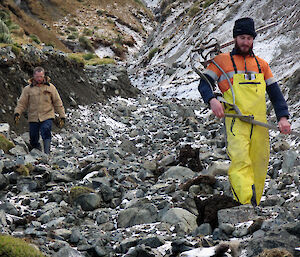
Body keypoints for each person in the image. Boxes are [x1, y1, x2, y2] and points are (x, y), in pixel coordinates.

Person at [198, 17, 291, 206]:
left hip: (259, 123)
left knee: (259, 163)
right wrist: (212, 100)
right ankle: (244, 204)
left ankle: (254, 204)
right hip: (236, 121)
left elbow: (275, 94)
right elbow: (204, 84)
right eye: (242, 38)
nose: (246, 42)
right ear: (234, 38)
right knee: (240, 161)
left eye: (249, 38)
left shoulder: (262, 65)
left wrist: (283, 117)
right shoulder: (221, 61)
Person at [14, 67, 66, 154]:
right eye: (37, 77)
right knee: (33, 137)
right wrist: (17, 113)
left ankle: (47, 153)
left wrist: (62, 116)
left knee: (46, 130)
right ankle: (36, 150)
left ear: (44, 76)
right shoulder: (28, 89)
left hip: (47, 115)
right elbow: (22, 103)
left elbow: (57, 102)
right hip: (33, 117)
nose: (39, 79)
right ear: (33, 76)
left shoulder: (51, 88)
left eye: (41, 76)